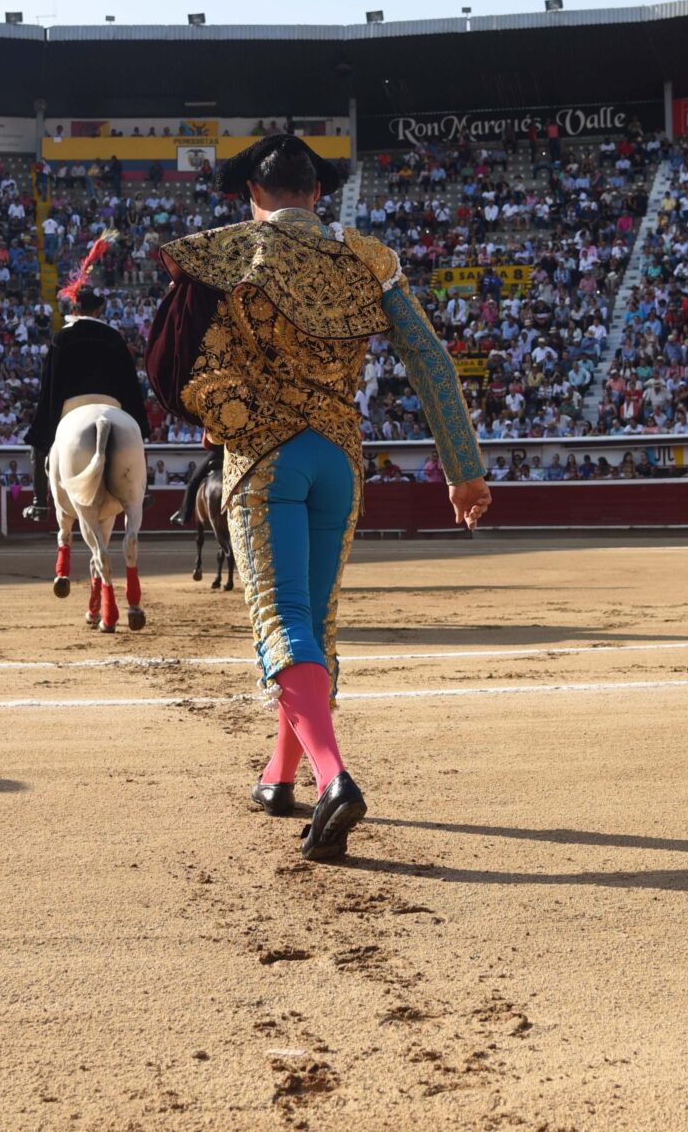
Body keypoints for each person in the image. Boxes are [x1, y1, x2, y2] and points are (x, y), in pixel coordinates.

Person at [145, 134, 488, 862]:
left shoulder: (227, 251)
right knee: (315, 626)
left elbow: (170, 363)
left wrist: (221, 411)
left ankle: (334, 779)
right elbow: (429, 359)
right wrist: (463, 468)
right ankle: (279, 778)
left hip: (265, 458)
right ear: (318, 196)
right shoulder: (365, 263)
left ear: (251, 196)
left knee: (281, 621)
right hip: (338, 456)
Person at [22, 238, 150, 521]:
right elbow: (129, 383)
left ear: (75, 309)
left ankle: (39, 502)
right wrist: (137, 419)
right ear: (99, 311)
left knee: (37, 443)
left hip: (71, 405)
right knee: (136, 435)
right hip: (113, 404)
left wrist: (47, 419)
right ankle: (146, 489)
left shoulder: (61, 337)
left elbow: (50, 385)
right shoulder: (114, 337)